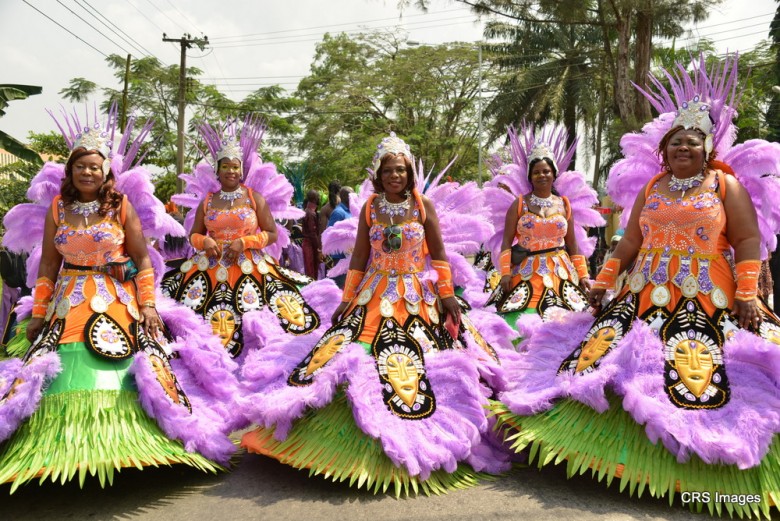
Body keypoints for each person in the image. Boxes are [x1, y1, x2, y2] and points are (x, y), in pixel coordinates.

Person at [492, 55, 780, 516]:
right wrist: (602, 282)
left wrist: (747, 293)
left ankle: (709, 469)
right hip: (642, 292)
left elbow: (747, 239)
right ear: (662, 151)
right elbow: (628, 242)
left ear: (706, 149)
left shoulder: (725, 187)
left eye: (691, 143)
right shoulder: (652, 189)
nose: (681, 149)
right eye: (674, 144)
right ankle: (625, 458)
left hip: (711, 293)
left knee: (703, 368)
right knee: (617, 362)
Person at [239, 132, 511, 495]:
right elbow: (359, 259)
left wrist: (447, 295)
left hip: (418, 296)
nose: (394, 176)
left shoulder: (422, 206)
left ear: (409, 173)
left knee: (431, 363)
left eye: (400, 170)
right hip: (374, 293)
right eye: (388, 171)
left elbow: (439, 254)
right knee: (349, 356)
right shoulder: (370, 209)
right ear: (379, 175)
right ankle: (340, 438)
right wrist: (347, 298)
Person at [0, 107, 236, 490]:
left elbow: (142, 258)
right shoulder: (58, 209)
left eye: (96, 166)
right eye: (82, 166)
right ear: (71, 172)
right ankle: (57, 443)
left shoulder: (120, 206)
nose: (89, 172)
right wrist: (40, 311)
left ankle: (129, 438)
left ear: (106, 171)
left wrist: (146, 304)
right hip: (66, 302)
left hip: (116, 299)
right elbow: (48, 264)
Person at [162, 119, 320, 359]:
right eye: (225, 166)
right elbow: (193, 235)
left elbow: (271, 233)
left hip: (251, 268)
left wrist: (244, 242)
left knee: (256, 321)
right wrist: (204, 242)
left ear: (242, 170)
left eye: (235, 166)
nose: (231, 171)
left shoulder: (254, 198)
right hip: (209, 269)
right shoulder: (208, 200)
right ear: (217, 170)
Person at [484, 124, 603, 326]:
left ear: (554, 174)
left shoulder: (564, 204)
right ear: (530, 176)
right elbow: (506, 242)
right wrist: (505, 273)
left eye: (546, 171)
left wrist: (583, 274)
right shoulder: (519, 204)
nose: (542, 175)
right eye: (537, 172)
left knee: (568, 324)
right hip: (526, 272)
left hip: (561, 273)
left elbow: (573, 245)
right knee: (522, 322)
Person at [326, 186, 354, 288]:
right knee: (340, 285)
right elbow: (330, 233)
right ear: (343, 196)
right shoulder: (338, 212)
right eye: (350, 195)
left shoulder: (350, 210)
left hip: (350, 255)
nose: (353, 197)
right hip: (341, 256)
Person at [301, 189, 321, 279]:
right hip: (310, 244)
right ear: (315, 199)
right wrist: (318, 248)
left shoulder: (309, 211)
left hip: (309, 243)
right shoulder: (310, 213)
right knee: (311, 271)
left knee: (312, 269)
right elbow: (313, 234)